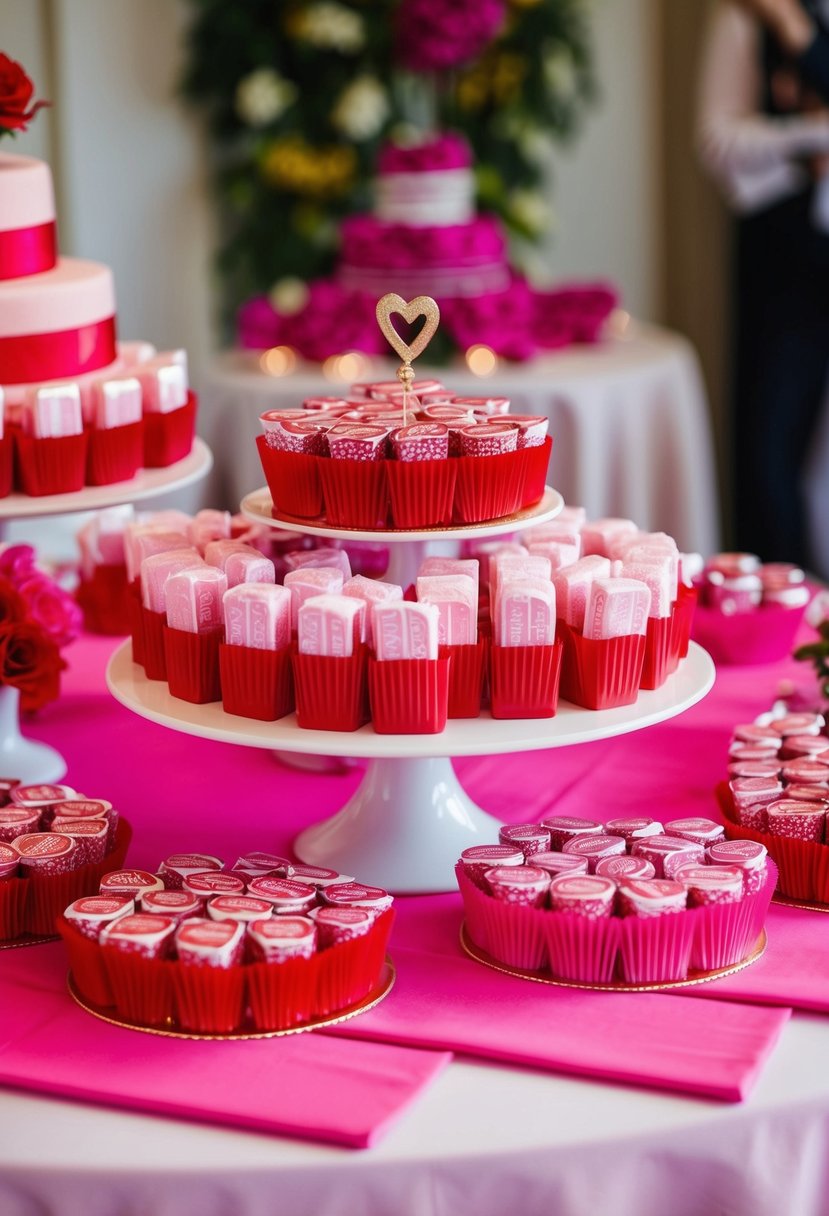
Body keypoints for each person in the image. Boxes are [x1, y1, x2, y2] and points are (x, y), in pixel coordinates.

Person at [697, 0, 829, 568]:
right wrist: (809, 138)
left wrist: (798, 32)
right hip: (786, 260)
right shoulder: (747, 14)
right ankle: (785, 621)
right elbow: (718, 142)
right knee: (770, 453)